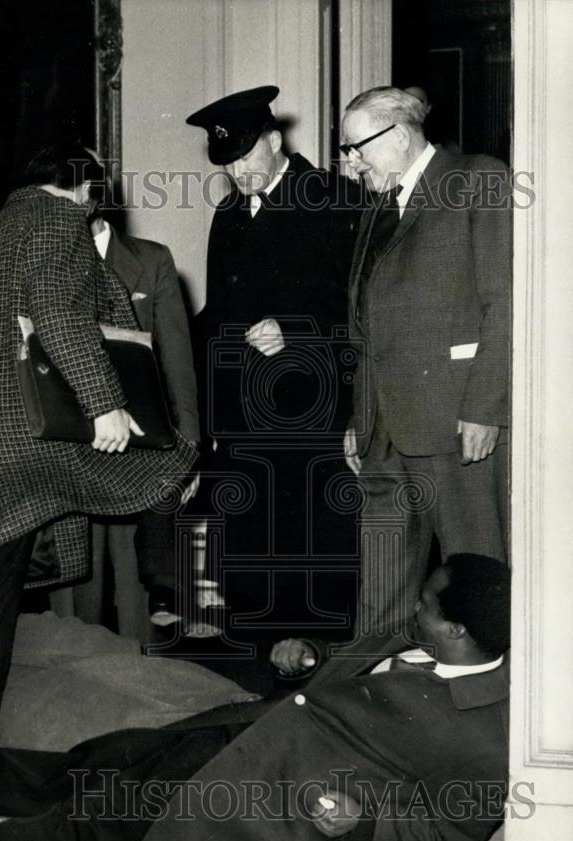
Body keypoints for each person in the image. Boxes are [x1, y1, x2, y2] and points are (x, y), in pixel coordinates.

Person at [0, 553, 510, 841]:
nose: (414, 609)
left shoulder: (487, 733)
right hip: (250, 732)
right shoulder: (419, 638)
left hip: (269, 804)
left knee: (101, 829)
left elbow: (451, 832)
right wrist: (313, 656)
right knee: (106, 760)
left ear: (456, 631)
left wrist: (363, 821)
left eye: (427, 606)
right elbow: (353, 676)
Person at [0, 140, 197, 751]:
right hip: (34, 443)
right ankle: (163, 608)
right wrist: (105, 405)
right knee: (170, 462)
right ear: (84, 191)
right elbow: (59, 314)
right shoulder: (60, 222)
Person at [184, 85, 361, 657]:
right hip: (244, 414)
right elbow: (219, 313)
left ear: (275, 140)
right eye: (226, 163)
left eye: (245, 156)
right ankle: (256, 648)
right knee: (249, 533)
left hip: (311, 409)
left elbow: (366, 310)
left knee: (311, 530)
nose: (236, 172)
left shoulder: (333, 199)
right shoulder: (229, 213)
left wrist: (297, 331)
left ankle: (312, 646)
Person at [339, 86, 511, 644]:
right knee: (381, 590)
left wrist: (484, 408)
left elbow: (504, 303)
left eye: (356, 147)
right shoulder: (377, 206)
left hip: (456, 423)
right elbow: (368, 325)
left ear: (399, 134)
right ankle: (371, 683)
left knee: (472, 582)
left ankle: (485, 691)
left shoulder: (477, 178)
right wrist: (359, 415)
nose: (351, 162)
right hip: (383, 432)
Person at [84, 184, 203, 630]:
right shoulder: (41, 261)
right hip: (69, 454)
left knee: (143, 606)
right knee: (76, 606)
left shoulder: (152, 261)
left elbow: (178, 364)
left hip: (141, 454)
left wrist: (188, 452)